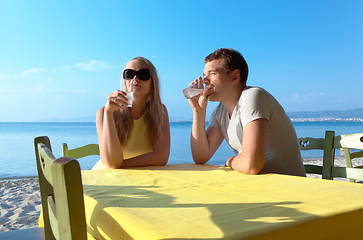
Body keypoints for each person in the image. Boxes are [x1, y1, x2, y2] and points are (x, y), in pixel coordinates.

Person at [187, 48, 306, 176]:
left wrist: (229, 161)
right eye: (204, 76)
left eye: (212, 73)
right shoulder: (220, 111)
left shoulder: (253, 97)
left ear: (234, 76)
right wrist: (198, 111)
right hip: (260, 186)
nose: (205, 81)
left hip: (289, 188)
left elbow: (251, 165)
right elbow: (200, 157)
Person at [92, 57, 170, 169]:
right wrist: (109, 113)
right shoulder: (104, 113)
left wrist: (121, 164)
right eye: (129, 74)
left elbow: (161, 157)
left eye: (143, 74)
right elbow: (111, 162)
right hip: (108, 179)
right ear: (123, 80)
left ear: (152, 82)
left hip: (143, 176)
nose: (135, 78)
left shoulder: (159, 111)